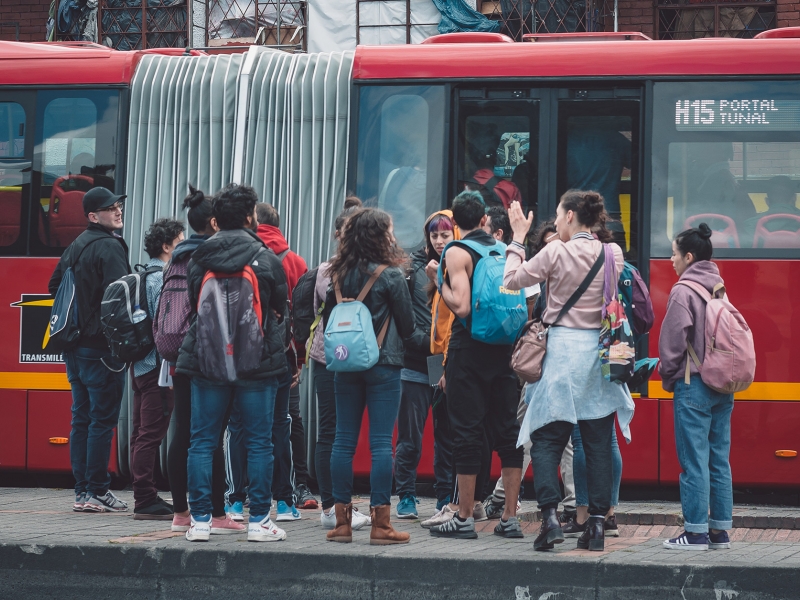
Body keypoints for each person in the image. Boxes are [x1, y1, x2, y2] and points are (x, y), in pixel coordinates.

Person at [504, 190, 635, 552]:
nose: (557, 222)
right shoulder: (613, 253)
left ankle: (548, 519)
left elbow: (512, 280)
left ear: (573, 215)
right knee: (596, 442)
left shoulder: (556, 251)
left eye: (560, 216)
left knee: (547, 439)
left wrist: (516, 239)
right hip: (597, 353)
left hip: (560, 353)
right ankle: (595, 525)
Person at [177, 183, 289, 543]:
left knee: (202, 440)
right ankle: (258, 521)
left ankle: (199, 522)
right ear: (248, 216)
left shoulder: (198, 259)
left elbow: (195, 304)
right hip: (256, 363)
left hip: (207, 360)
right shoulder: (266, 258)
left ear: (215, 220)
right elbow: (280, 310)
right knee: (259, 441)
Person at [323, 207, 424, 545]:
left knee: (343, 441)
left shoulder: (336, 273)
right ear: (381, 236)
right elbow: (409, 329)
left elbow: (327, 325)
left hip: (344, 365)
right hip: (384, 366)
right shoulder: (391, 275)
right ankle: (381, 526)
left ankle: (341, 525)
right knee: (382, 443)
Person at [429, 190, 524, 541]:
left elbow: (463, 306)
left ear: (455, 223)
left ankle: (466, 516)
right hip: (505, 351)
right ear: (485, 220)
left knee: (467, 432)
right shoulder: (502, 249)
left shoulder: (457, 251)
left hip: (469, 351)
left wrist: (438, 281)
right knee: (508, 433)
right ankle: (510, 517)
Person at [167, 186, 245, 535]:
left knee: (182, 431)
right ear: (215, 221)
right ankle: (215, 513)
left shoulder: (177, 257)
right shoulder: (211, 255)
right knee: (209, 435)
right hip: (207, 355)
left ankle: (181, 512)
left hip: (177, 355)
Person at [49, 187, 131, 513]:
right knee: (101, 420)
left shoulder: (75, 246)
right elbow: (120, 297)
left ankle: (83, 493)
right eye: (111, 208)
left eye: (118, 206)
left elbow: (54, 285)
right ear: (94, 216)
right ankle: (98, 490)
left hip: (73, 346)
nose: (118, 211)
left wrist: (81, 314)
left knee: (81, 419)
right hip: (101, 348)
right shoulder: (110, 247)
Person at [659, 223, 733, 551]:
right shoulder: (718, 286)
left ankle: (695, 532)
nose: (670, 260)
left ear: (688, 257)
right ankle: (719, 531)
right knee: (718, 459)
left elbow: (673, 343)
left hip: (695, 384)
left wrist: (666, 374)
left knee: (693, 461)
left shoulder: (683, 290)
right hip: (723, 384)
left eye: (674, 254)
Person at [310, 198, 371, 531]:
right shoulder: (371, 271)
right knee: (341, 433)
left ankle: (333, 505)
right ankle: (335, 506)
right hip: (359, 358)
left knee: (331, 432)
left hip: (328, 355)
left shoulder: (325, 270)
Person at [394, 211, 458, 519]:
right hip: (420, 360)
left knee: (445, 433)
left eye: (445, 235)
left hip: (444, 362)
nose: (439, 241)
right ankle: (406, 494)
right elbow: (406, 318)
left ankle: (444, 495)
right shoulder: (412, 267)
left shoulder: (461, 264)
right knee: (412, 434)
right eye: (434, 236)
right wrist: (427, 344)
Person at [130, 218, 184, 520]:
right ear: (166, 246)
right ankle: (145, 499)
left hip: (140, 366)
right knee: (151, 433)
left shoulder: (142, 274)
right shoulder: (160, 280)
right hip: (157, 370)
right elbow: (165, 329)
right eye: (180, 241)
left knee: (141, 432)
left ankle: (145, 492)